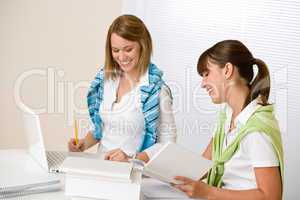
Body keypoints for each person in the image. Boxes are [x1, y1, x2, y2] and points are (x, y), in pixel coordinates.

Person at [173, 40, 284, 200]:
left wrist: (207, 192)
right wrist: (164, 172)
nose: (203, 84)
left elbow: (271, 196)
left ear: (227, 70)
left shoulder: (257, 129)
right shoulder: (227, 116)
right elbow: (203, 164)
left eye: (206, 74)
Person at [68, 15, 176, 163]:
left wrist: (131, 159)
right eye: (116, 50)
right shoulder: (105, 81)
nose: (121, 56)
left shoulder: (157, 91)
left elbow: (168, 144)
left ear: (142, 46)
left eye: (128, 49)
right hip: (100, 166)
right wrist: (83, 144)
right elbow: (102, 128)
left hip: (134, 173)